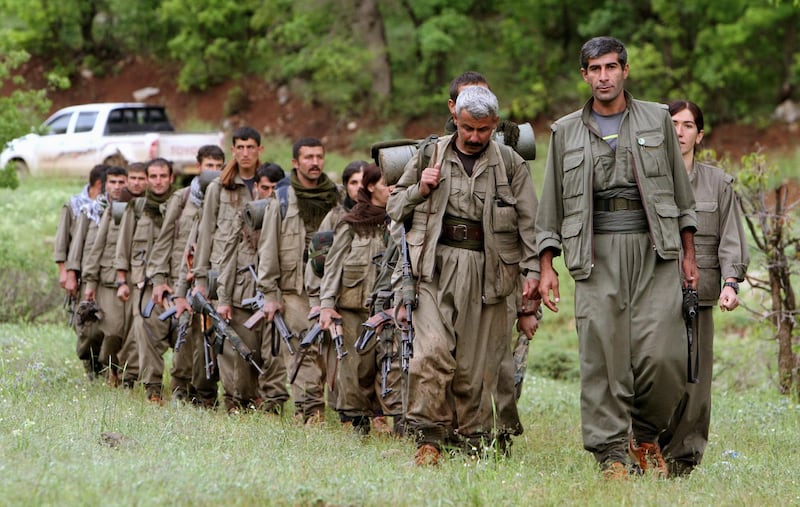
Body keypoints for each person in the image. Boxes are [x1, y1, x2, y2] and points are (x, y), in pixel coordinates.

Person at [535, 36, 698, 479]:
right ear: (584, 75)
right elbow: (550, 204)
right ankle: (610, 452)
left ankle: (645, 437)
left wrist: (688, 253)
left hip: (654, 250)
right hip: (595, 253)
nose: (603, 76)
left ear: (625, 70)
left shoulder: (657, 118)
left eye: (611, 67)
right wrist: (546, 266)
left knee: (663, 355)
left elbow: (682, 197)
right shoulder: (565, 131)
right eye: (595, 69)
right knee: (602, 355)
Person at [387, 85, 539, 465]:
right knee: (430, 355)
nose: (474, 137)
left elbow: (530, 226)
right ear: (455, 117)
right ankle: (428, 437)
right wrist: (420, 189)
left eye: (483, 130)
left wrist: (534, 277)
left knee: (474, 371)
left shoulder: (510, 163)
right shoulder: (428, 154)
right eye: (468, 128)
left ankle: (471, 440)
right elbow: (393, 207)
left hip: (489, 274)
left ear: (494, 126)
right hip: (433, 270)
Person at [658, 100, 749, 476]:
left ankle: (682, 459)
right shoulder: (649, 179)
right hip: (652, 294)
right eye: (673, 124)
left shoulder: (718, 183)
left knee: (696, 381)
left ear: (700, 133)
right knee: (656, 371)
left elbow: (731, 238)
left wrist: (731, 282)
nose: (679, 132)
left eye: (687, 125)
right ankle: (646, 446)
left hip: (702, 294)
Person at [193, 128, 289, 413]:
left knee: (266, 344)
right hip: (226, 273)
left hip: (266, 271)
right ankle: (234, 399)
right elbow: (206, 233)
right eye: (240, 147)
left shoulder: (273, 182)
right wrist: (201, 278)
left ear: (260, 149)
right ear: (232, 150)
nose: (245, 153)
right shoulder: (219, 187)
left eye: (250, 147)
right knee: (231, 341)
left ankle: (263, 396)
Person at [255, 136, 341, 425]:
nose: (314, 162)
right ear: (295, 162)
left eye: (319, 156)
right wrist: (270, 293)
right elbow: (268, 249)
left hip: (330, 288)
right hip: (294, 291)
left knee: (330, 351)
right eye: (308, 157)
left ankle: (345, 412)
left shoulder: (336, 197)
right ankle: (310, 410)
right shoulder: (281, 200)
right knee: (302, 349)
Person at [318, 163, 398, 434]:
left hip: (389, 309)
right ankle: (353, 421)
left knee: (389, 363)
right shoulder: (351, 222)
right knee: (352, 366)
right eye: (388, 183)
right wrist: (327, 305)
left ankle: (391, 418)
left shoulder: (399, 221)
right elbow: (333, 265)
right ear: (372, 186)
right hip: (353, 307)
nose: (393, 189)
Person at [148, 145, 225, 406]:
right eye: (208, 165)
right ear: (198, 166)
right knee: (184, 335)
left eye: (218, 166)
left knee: (208, 338)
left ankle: (206, 392)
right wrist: (160, 280)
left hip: (211, 280)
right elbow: (164, 240)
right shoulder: (181, 199)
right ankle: (180, 388)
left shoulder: (226, 199)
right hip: (180, 278)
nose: (212, 171)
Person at [114, 158, 175, 403]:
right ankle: (153, 389)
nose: (158, 181)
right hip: (145, 283)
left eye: (163, 176)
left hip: (176, 282)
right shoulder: (136, 208)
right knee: (144, 331)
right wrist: (122, 280)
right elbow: (123, 246)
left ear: (171, 178)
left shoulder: (181, 205)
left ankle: (188, 389)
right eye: (154, 176)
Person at [77, 166, 130, 385]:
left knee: (114, 331)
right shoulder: (91, 210)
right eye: (112, 182)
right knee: (90, 330)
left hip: (123, 281)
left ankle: (116, 372)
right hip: (99, 278)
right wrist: (82, 278)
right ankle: (93, 366)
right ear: (104, 184)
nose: (117, 187)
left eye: (121, 182)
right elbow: (89, 247)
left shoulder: (132, 207)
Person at [62, 164, 109, 378]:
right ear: (99, 184)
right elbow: (65, 242)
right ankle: (91, 366)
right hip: (80, 269)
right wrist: (67, 272)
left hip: (103, 272)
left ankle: (107, 367)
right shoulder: (77, 206)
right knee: (85, 323)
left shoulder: (108, 206)